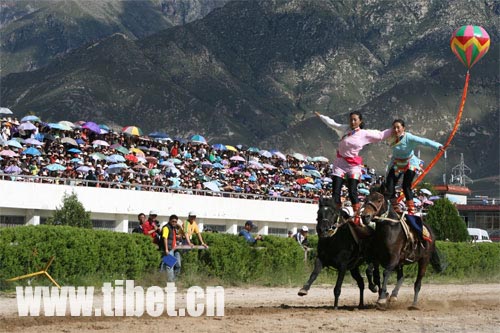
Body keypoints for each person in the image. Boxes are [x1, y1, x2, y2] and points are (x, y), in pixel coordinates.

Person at [315, 111, 392, 224]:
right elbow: (332, 123)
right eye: (351, 119)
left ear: (360, 121)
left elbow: (380, 135)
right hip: (340, 163)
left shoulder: (363, 133)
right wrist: (321, 116)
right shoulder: (345, 129)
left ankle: (357, 217)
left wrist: (395, 129)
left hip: (353, 165)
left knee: (352, 191)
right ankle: (337, 214)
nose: (352, 122)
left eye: (355, 119)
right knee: (335, 191)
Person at [385, 119, 443, 215]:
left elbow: (424, 141)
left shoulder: (409, 137)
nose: (396, 130)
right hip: (397, 163)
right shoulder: (391, 137)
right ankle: (395, 207)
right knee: (389, 184)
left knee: (406, 186)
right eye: (394, 127)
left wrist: (438, 146)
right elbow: (377, 136)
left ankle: (411, 210)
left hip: (410, 163)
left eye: (398, 127)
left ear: (403, 128)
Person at [159, 214, 182, 280]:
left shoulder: (173, 228)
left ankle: (175, 280)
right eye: (173, 221)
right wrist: (166, 249)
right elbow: (165, 238)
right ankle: (170, 282)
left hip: (173, 249)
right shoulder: (166, 227)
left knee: (178, 265)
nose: (174, 223)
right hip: (168, 249)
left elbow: (172, 237)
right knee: (169, 266)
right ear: (169, 221)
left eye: (175, 221)